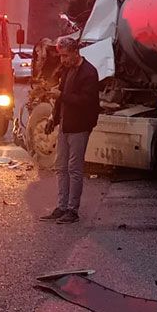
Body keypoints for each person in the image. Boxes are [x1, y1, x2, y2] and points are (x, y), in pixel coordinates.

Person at [39, 36, 100, 224]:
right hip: (65, 125)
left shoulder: (89, 72)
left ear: (75, 52)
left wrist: (61, 95)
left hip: (79, 127)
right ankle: (62, 207)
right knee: (61, 167)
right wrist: (53, 118)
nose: (62, 59)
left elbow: (85, 101)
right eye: (60, 56)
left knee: (74, 169)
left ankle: (73, 210)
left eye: (65, 55)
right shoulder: (67, 70)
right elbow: (61, 100)